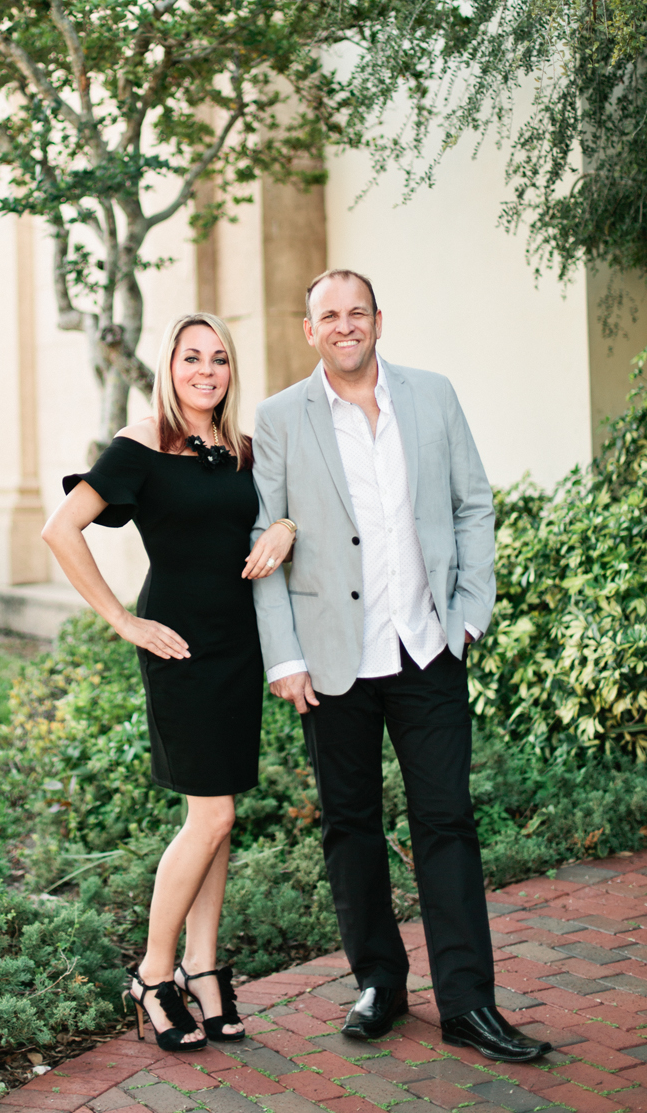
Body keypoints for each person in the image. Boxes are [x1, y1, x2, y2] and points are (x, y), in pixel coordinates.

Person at [250, 269, 553, 1065]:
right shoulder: (281, 416)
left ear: (379, 321)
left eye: (358, 311)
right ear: (308, 329)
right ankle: (379, 982)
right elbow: (264, 539)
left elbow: (471, 504)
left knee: (448, 824)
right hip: (330, 659)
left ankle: (469, 1005)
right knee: (352, 827)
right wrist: (282, 654)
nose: (345, 325)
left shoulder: (433, 394)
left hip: (428, 648)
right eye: (329, 315)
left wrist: (471, 614)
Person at [42, 313, 294, 1053]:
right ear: (170, 366)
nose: (206, 371)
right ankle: (154, 974)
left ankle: (204, 967)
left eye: (218, 359)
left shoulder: (244, 450)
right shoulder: (143, 442)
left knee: (223, 816)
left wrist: (288, 528)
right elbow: (62, 528)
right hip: (178, 643)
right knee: (208, 817)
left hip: (237, 644)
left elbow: (278, 518)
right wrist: (122, 620)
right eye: (192, 358)